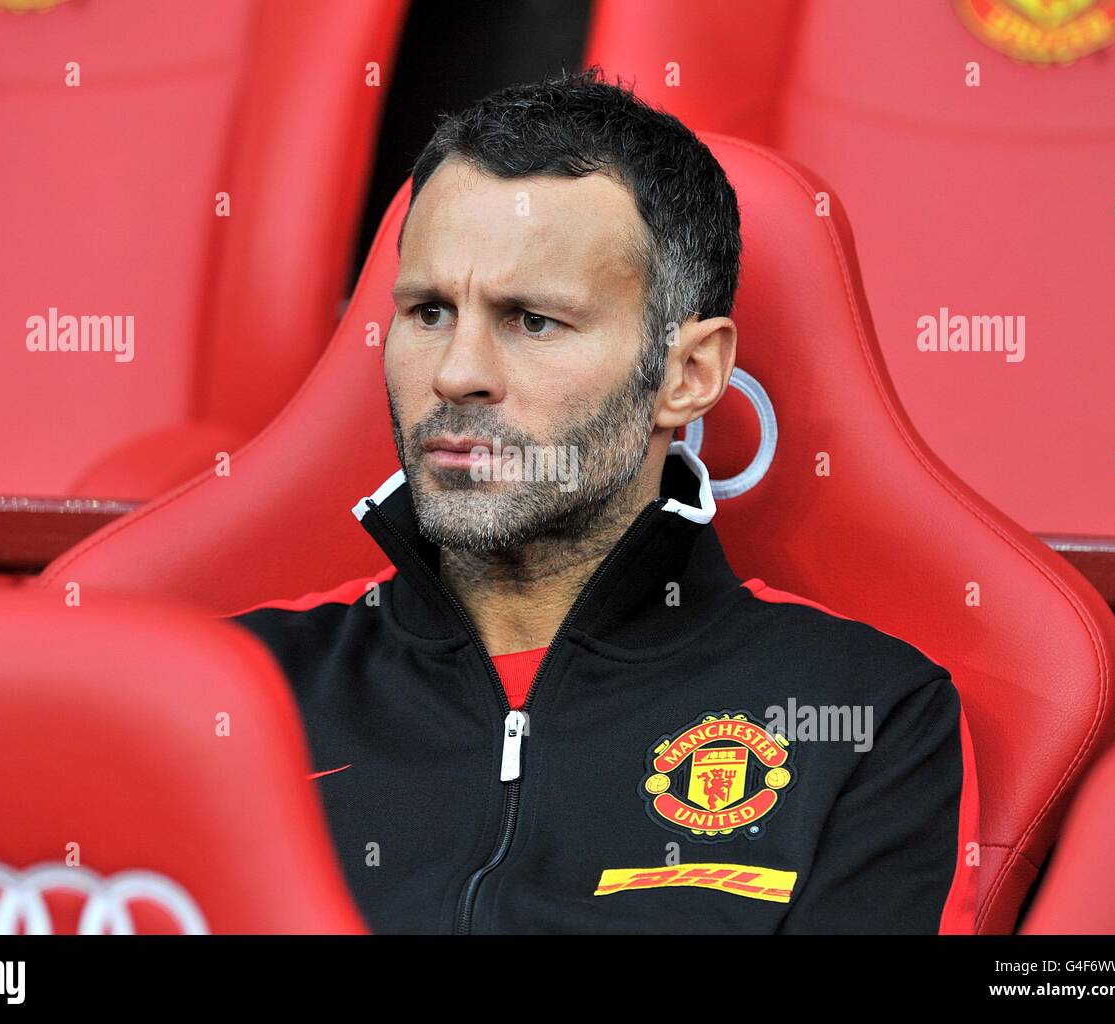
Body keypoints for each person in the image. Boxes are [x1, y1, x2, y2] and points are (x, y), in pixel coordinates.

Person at [232, 69, 979, 935]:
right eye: (429, 310)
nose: (455, 373)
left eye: (533, 321)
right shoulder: (232, 693)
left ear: (689, 374)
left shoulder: (865, 715)